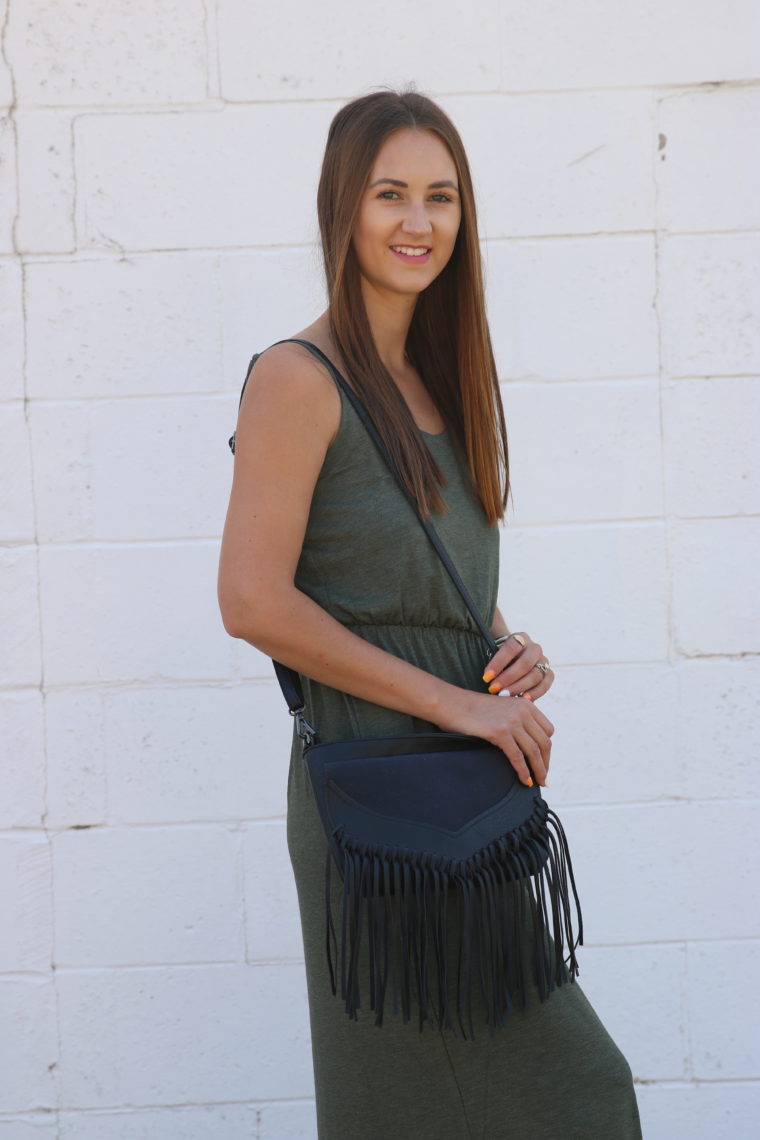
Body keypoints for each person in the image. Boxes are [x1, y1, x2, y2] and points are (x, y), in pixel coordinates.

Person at [218, 88, 641, 1140]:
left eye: (442, 196)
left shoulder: (434, 380)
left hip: (460, 794)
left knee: (493, 1106)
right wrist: (461, 709)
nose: (419, 222)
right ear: (342, 209)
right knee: (564, 1095)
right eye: (390, 194)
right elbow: (250, 598)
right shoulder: (296, 376)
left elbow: (407, 573)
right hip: (379, 800)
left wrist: (497, 643)